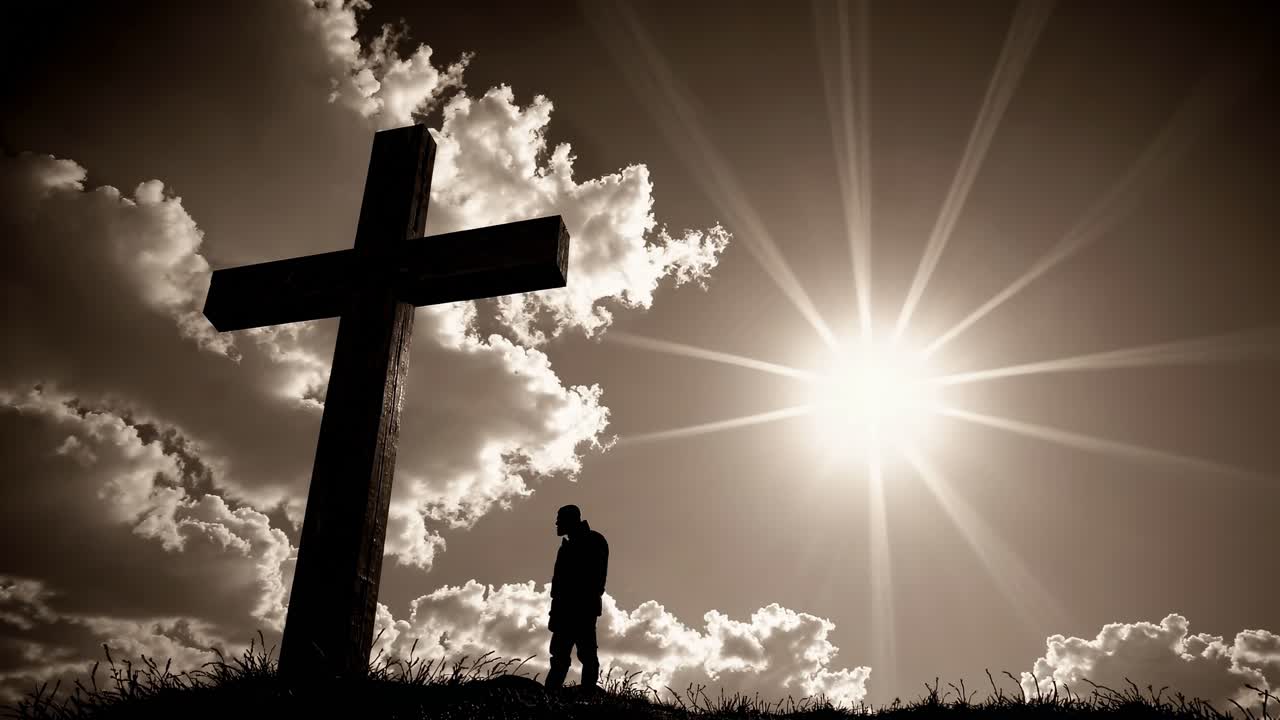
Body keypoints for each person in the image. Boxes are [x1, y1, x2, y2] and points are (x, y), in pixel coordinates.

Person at [544, 504, 609, 690]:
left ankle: (588, 694)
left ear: (571, 520)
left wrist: (581, 602)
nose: (556, 523)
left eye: (560, 519)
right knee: (559, 655)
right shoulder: (566, 547)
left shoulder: (594, 541)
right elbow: (558, 586)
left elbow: (597, 579)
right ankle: (551, 693)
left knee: (587, 654)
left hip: (582, 609)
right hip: (564, 610)